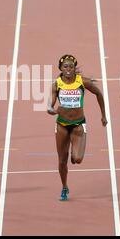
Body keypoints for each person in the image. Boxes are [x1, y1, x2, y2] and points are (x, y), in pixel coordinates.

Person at [47, 54, 107, 201]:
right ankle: (64, 187)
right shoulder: (56, 84)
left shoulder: (82, 82)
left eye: (71, 67)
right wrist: (51, 109)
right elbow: (50, 104)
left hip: (78, 124)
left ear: (75, 69)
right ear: (60, 68)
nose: (68, 69)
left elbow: (99, 93)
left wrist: (103, 115)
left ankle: (74, 155)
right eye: (65, 67)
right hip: (61, 125)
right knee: (62, 160)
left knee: (78, 159)